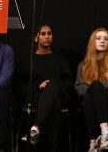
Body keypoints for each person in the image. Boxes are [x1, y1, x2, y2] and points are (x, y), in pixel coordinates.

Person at [75, 28, 108, 152]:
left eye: (106, 39)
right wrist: (106, 88)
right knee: (89, 96)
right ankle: (100, 139)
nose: (102, 41)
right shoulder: (83, 65)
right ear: (92, 42)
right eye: (98, 38)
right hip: (92, 100)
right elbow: (80, 89)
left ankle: (97, 141)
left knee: (93, 91)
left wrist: (100, 89)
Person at [25, 23, 72, 151]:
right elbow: (19, 85)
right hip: (35, 97)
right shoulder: (29, 60)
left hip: (58, 95)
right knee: (54, 103)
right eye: (43, 34)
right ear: (36, 38)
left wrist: (52, 85)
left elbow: (68, 84)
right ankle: (51, 147)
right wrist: (38, 85)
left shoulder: (60, 60)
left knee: (53, 88)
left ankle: (36, 128)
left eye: (49, 34)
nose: (47, 37)